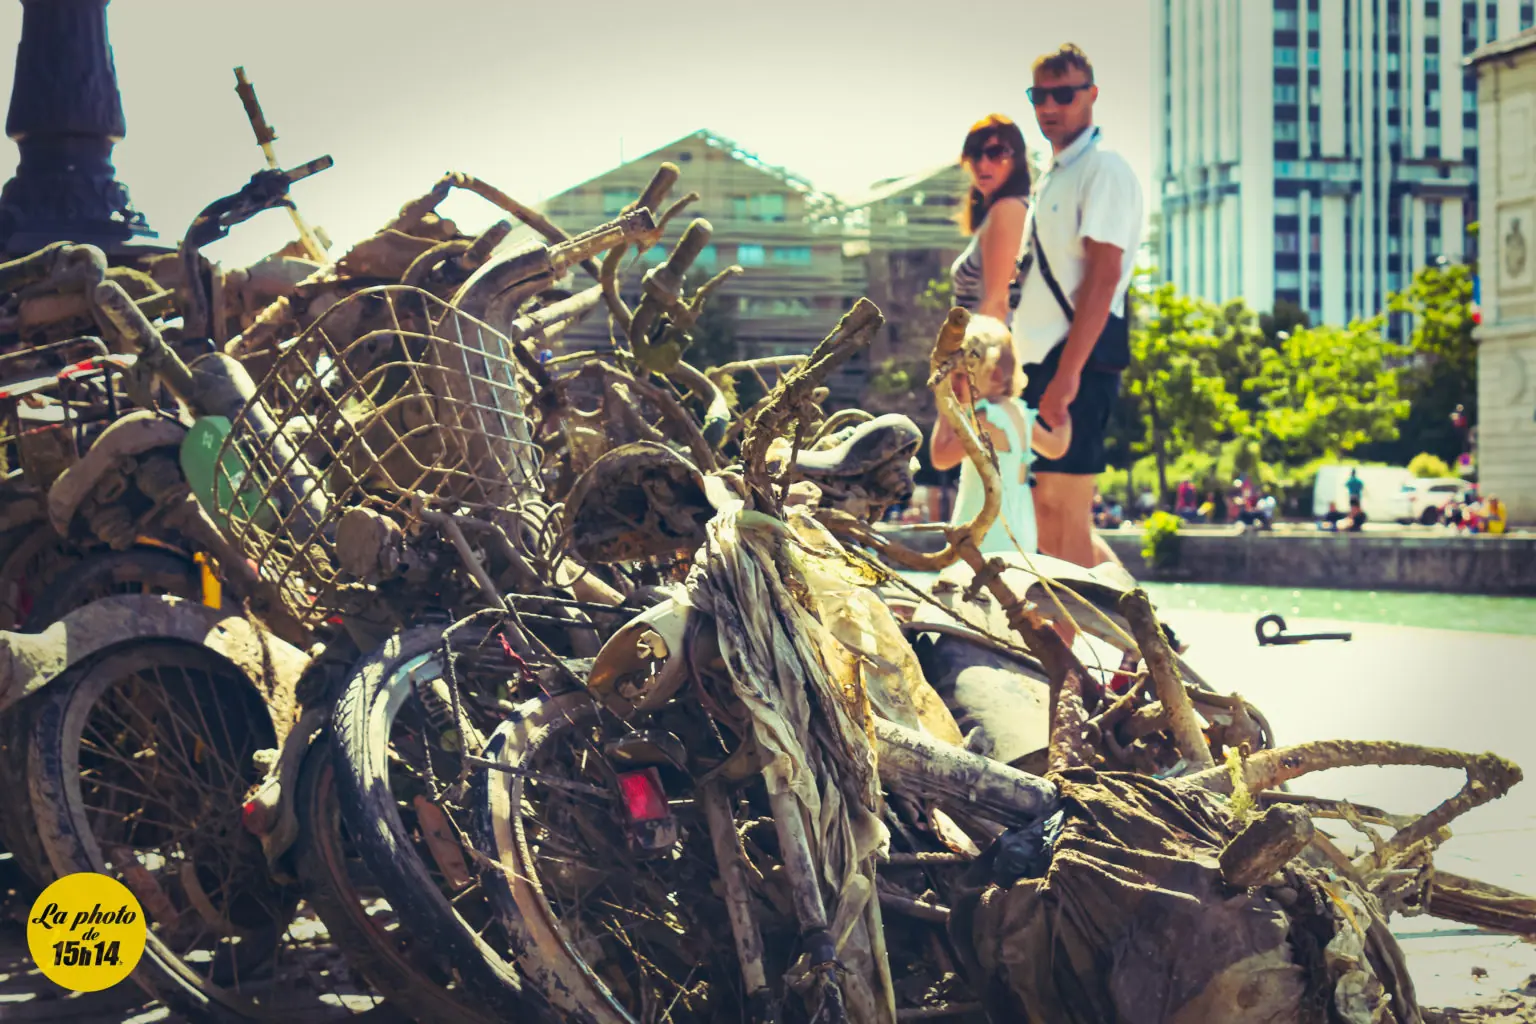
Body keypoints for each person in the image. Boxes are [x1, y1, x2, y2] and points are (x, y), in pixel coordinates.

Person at [1011, 43, 1144, 568]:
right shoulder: (1054, 175)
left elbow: (1104, 277)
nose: (1049, 106)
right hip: (1043, 365)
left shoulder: (1103, 168)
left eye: (1063, 94)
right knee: (1049, 516)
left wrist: (1066, 379)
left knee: (1064, 515)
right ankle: (1144, 638)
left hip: (1077, 365)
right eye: (1038, 95)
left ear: (1091, 95)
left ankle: (1070, 651)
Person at [930, 323, 1071, 553]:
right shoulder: (1021, 413)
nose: (954, 385)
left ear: (994, 375)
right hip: (1021, 531)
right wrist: (1064, 418)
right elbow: (1056, 447)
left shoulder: (986, 420)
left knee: (964, 587)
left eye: (960, 376)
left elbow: (941, 458)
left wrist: (945, 409)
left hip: (986, 534)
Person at [950, 114, 1032, 323]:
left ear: (1017, 158)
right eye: (975, 154)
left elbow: (997, 305)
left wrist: (970, 355)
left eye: (995, 153)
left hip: (989, 349)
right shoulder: (1005, 210)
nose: (983, 164)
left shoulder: (1008, 210)